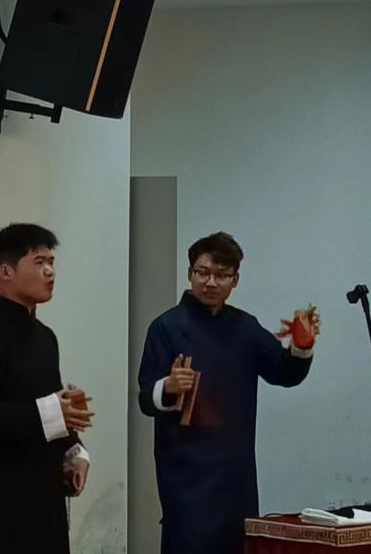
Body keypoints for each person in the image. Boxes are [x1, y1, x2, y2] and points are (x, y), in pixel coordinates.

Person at [138, 232, 317, 554]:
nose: (211, 282)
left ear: (235, 280)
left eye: (221, 275)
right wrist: (168, 387)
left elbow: (284, 373)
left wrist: (301, 348)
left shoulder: (245, 327)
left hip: (235, 473)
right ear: (190, 273)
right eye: (203, 272)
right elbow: (145, 399)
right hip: (185, 473)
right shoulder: (166, 327)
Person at [0, 223, 94, 554]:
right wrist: (52, 412)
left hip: (45, 500)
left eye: (51, 262)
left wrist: (74, 452)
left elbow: (52, 407)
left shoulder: (45, 338)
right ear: (6, 272)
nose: (50, 271)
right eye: (39, 262)